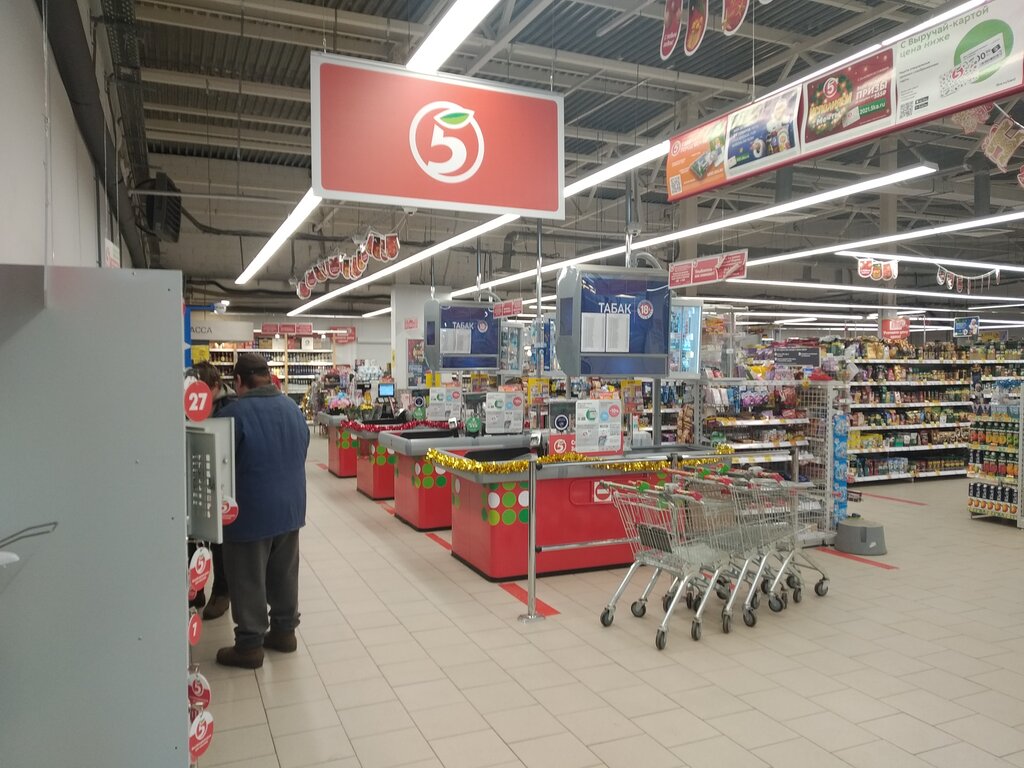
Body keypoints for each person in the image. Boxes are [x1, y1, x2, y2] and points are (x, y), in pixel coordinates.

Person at [215, 353, 310, 669]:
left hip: (249, 511)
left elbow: (219, 464)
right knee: (284, 573)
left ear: (238, 381)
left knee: (247, 577)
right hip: (291, 508)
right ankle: (284, 632)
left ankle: (249, 645)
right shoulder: (293, 409)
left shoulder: (232, 415)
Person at [187, 361, 235, 620]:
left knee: (219, 541)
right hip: (195, 476)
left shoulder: (231, 407)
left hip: (222, 481)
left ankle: (221, 591)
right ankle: (195, 589)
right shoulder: (186, 403)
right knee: (193, 535)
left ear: (216, 386)